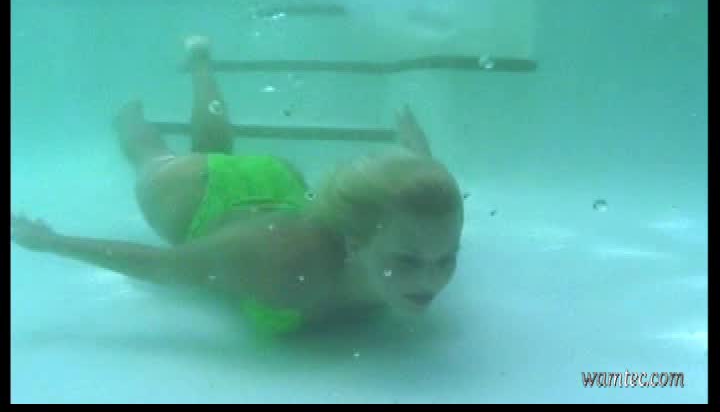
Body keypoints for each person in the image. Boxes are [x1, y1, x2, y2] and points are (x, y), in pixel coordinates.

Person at [10, 36, 464, 335]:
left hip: (281, 185)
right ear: (353, 241)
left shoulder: (409, 232)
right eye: (406, 262)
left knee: (215, 145)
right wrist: (53, 242)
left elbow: (412, 201)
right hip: (194, 196)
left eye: (448, 259)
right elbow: (166, 268)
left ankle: (200, 60)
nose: (432, 279)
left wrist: (418, 159)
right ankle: (128, 117)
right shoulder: (285, 266)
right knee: (152, 155)